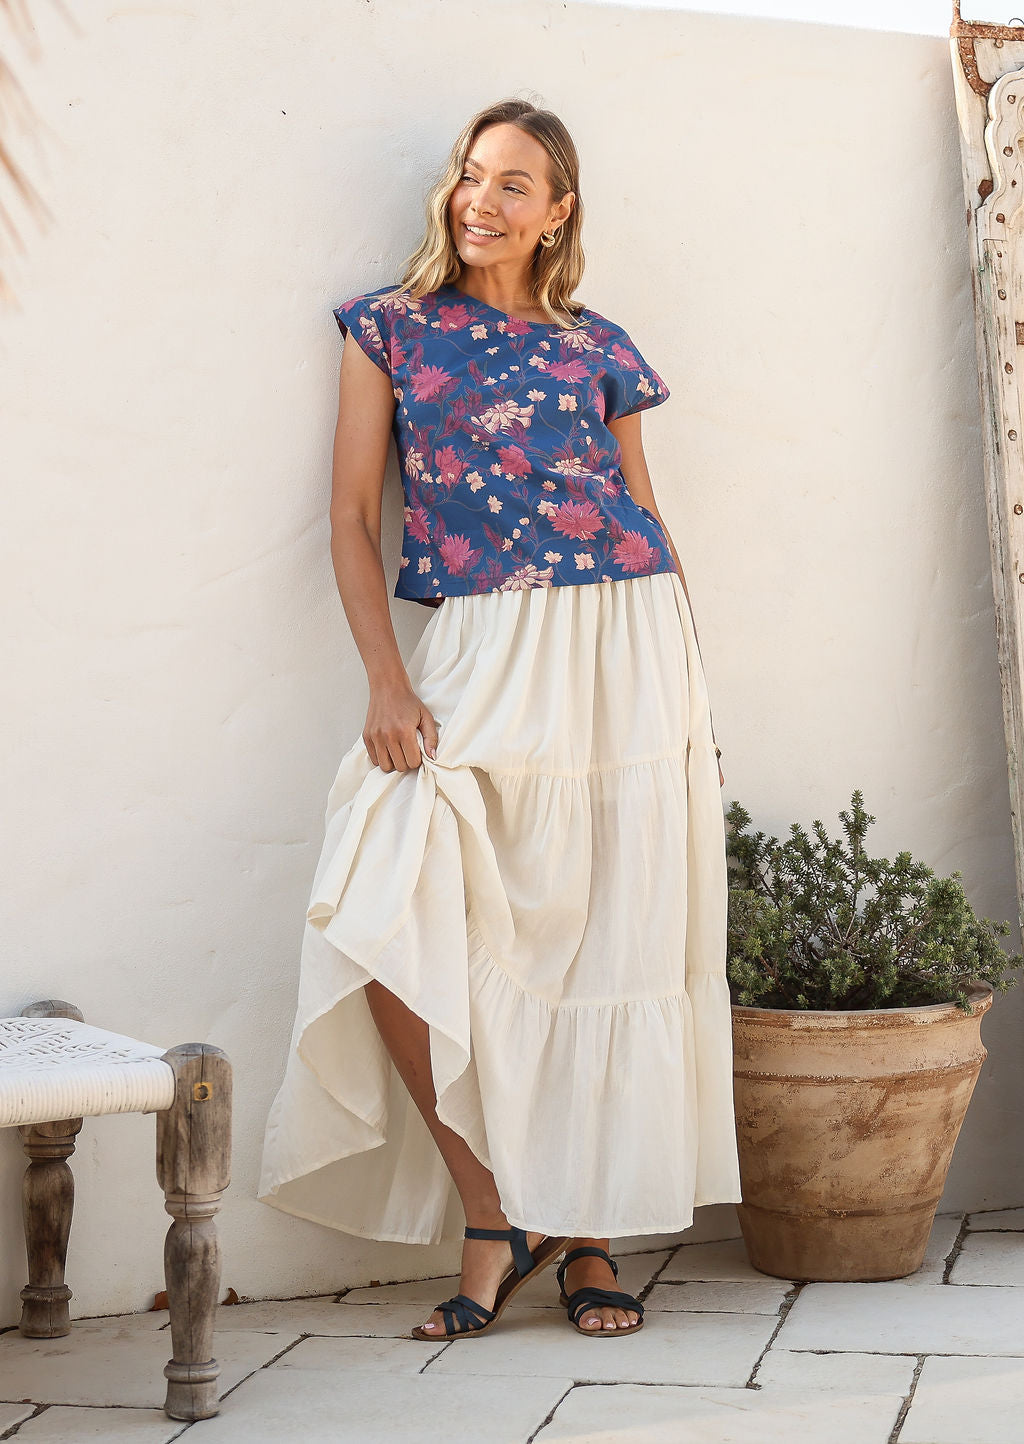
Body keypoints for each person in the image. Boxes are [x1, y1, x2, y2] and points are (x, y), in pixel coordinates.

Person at [258, 96, 742, 1341]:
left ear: (558, 211)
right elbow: (350, 517)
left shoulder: (601, 349)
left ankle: (580, 1232)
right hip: (479, 639)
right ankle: (495, 1211)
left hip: (627, 643)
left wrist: (688, 693)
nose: (481, 200)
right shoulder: (392, 329)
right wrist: (385, 678)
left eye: (514, 184)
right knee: (383, 891)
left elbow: (646, 515)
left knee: (596, 942)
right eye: (473, 175)